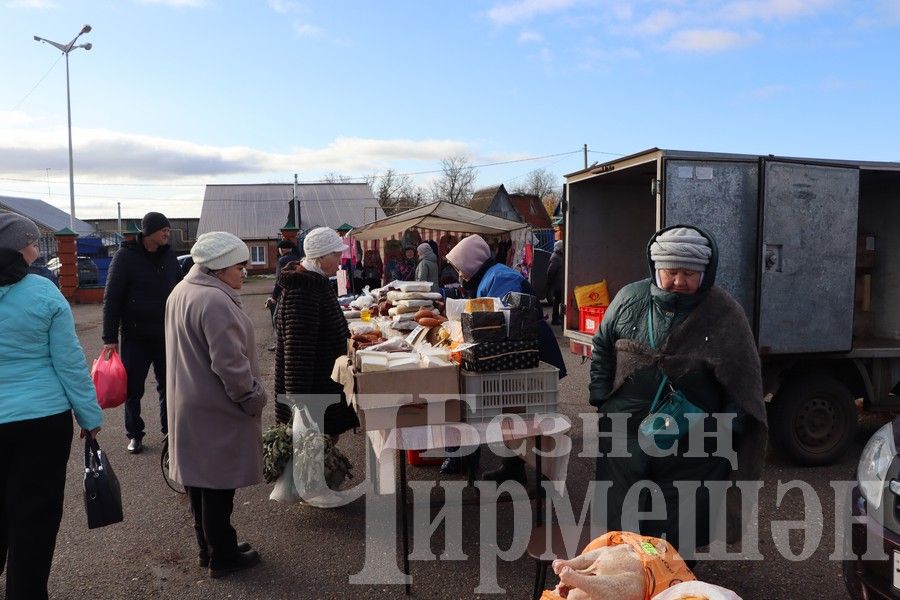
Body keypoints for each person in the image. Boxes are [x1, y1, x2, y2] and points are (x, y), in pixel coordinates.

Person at [589, 225, 767, 554]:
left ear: (706, 272)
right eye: (671, 271)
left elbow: (745, 381)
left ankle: (672, 579)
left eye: (689, 273)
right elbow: (602, 346)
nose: (679, 281)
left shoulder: (725, 313)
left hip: (691, 448)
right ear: (656, 268)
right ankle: (626, 574)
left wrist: (720, 431)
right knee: (622, 523)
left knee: (678, 530)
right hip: (625, 438)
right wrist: (601, 397)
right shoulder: (630, 298)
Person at [0, 213, 102, 600]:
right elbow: (70, 363)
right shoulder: (43, 293)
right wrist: (90, 417)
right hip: (41, 423)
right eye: (31, 241)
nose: (34, 248)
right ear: (19, 248)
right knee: (34, 519)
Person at [165, 231, 267, 578]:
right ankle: (222, 554)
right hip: (215, 406)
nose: (245, 272)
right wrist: (253, 397)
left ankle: (208, 549)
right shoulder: (215, 301)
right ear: (220, 267)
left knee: (199, 482)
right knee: (218, 487)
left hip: (190, 401)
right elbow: (230, 364)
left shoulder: (182, 290)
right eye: (241, 266)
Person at [441, 234, 567, 479]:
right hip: (515, 353)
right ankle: (513, 469)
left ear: (471, 262)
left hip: (528, 353)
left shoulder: (501, 277)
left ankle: (543, 476)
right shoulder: (488, 275)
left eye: (460, 268)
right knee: (509, 412)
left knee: (528, 415)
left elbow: (500, 319)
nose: (459, 275)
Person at [102, 211, 181, 454]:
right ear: (148, 233)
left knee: (168, 386)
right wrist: (109, 338)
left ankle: (170, 432)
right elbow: (112, 297)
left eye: (168, 229)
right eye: (163, 230)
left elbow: (181, 292)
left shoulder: (170, 258)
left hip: (166, 334)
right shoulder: (125, 257)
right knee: (133, 388)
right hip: (135, 336)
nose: (167, 233)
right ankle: (135, 434)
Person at [273, 227, 359, 438]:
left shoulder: (314, 281)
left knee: (321, 459)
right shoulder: (303, 291)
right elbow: (297, 356)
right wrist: (301, 410)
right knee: (313, 461)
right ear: (320, 257)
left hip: (322, 389)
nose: (340, 260)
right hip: (313, 401)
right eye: (336, 254)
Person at [264, 239, 302, 351]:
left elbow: (279, 281)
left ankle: (279, 344)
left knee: (277, 318)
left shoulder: (282, 261)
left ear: (282, 249)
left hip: (284, 294)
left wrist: (273, 297)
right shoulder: (298, 259)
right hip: (298, 294)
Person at [546, 240, 565, 326]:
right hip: (558, 285)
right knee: (557, 302)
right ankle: (555, 318)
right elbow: (551, 271)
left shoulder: (558, 256)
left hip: (559, 284)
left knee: (559, 301)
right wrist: (550, 283)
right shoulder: (556, 258)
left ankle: (559, 317)